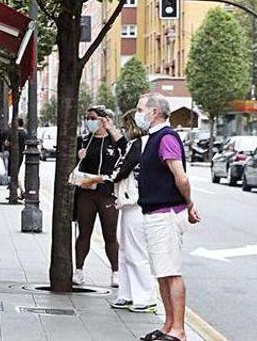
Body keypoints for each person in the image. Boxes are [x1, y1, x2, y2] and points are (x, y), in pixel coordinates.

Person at [134, 93, 200, 341]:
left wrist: (189, 203)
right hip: (154, 213)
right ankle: (168, 325)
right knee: (162, 273)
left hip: (166, 214)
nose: (137, 114)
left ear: (154, 112)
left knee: (171, 272)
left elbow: (180, 177)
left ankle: (179, 331)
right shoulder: (153, 138)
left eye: (140, 109)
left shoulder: (167, 138)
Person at [103, 110, 158, 314]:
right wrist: (111, 130)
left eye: (125, 127)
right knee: (126, 252)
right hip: (130, 203)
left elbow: (122, 168)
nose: (124, 131)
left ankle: (145, 297)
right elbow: (124, 150)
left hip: (135, 204)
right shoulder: (138, 144)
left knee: (136, 252)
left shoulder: (139, 144)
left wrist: (101, 180)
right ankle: (127, 294)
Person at [71, 106, 122, 287]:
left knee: (110, 234)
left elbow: (122, 166)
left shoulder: (114, 142)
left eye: (92, 118)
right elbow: (72, 169)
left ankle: (115, 272)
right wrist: (79, 158)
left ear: (103, 120)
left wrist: (104, 180)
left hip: (107, 194)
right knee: (84, 233)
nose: (89, 121)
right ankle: (79, 270)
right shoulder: (83, 141)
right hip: (87, 193)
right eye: (87, 118)